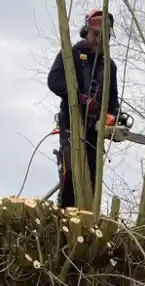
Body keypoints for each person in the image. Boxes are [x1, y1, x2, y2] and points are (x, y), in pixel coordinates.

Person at [46, 7, 120, 209]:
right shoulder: (72, 55)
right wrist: (79, 98)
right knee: (71, 171)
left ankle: (86, 217)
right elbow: (54, 81)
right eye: (96, 35)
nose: (99, 40)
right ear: (87, 32)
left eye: (104, 37)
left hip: (94, 132)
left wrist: (111, 116)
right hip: (72, 123)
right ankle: (65, 213)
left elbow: (113, 99)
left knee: (92, 180)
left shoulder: (109, 66)